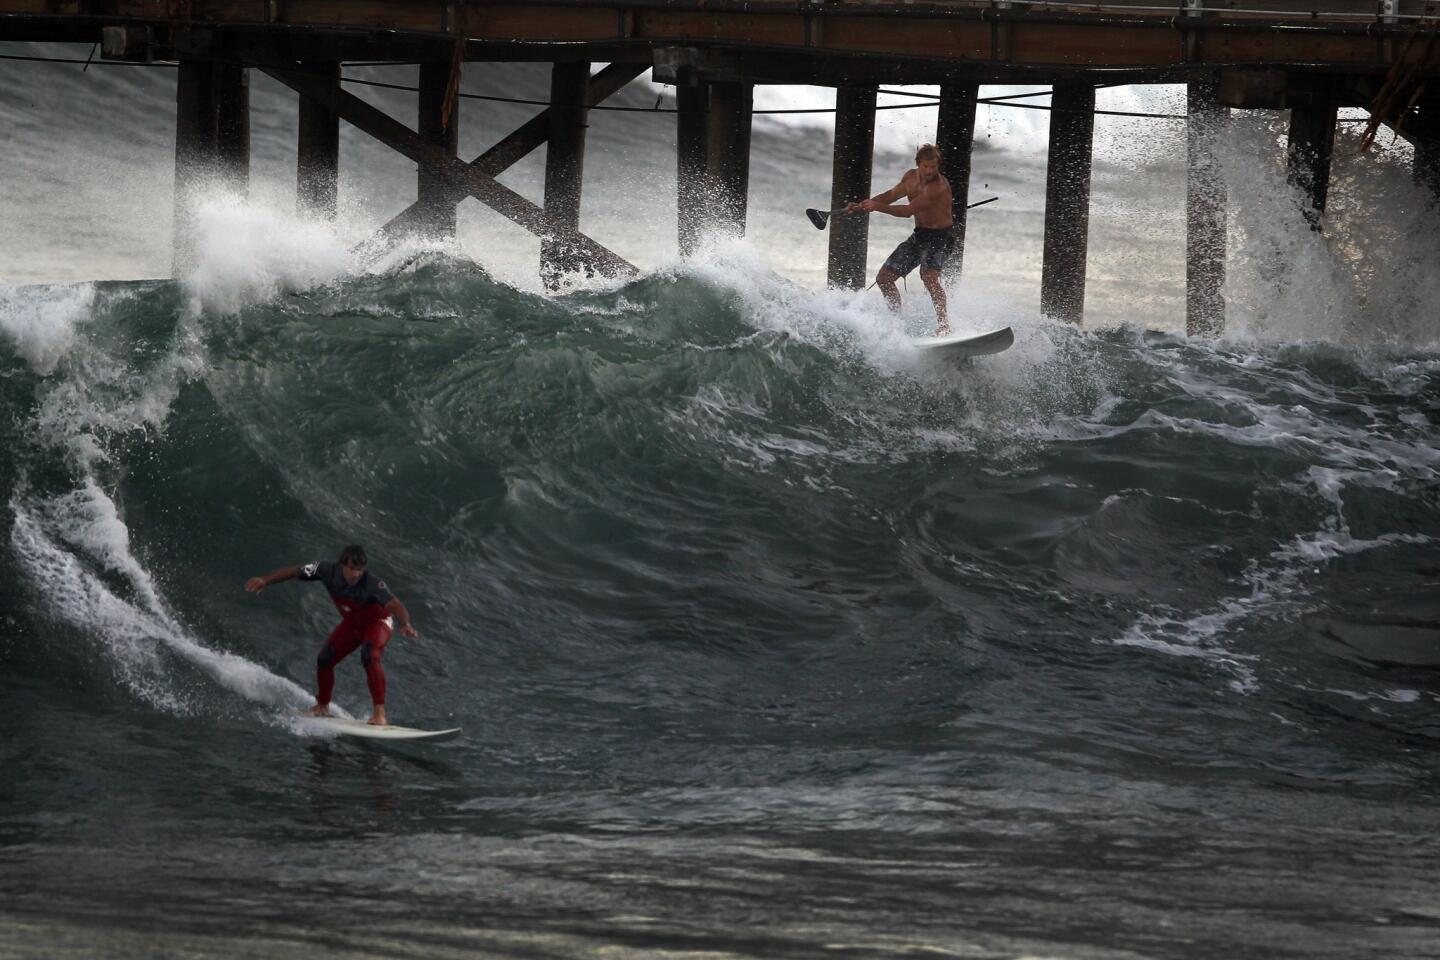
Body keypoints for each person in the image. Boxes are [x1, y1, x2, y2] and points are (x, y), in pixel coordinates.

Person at [245, 544, 419, 726]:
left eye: (359, 569)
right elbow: (294, 572)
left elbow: (395, 605)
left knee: (369, 654)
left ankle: (379, 715)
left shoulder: (372, 584)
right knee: (324, 659)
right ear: (341, 564)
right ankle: (322, 707)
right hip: (352, 625)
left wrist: (405, 624)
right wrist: (265, 580)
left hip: (378, 624)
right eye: (352, 568)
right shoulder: (325, 570)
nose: (356, 574)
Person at [847, 143, 956, 336]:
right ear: (918, 164)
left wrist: (876, 207)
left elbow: (907, 211)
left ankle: (944, 325)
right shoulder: (910, 177)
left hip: (941, 237)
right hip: (920, 234)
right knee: (884, 278)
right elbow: (890, 196)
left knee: (929, 277)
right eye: (925, 166)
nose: (930, 171)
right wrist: (863, 205)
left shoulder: (938, 187)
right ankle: (896, 323)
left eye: (934, 166)